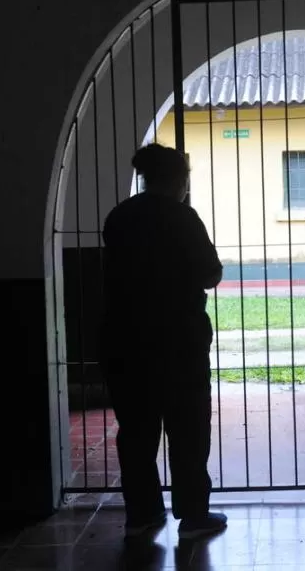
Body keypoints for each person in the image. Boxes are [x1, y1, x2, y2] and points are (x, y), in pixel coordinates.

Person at [99, 143, 227, 540]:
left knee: (136, 431)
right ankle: (192, 515)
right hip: (179, 340)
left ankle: (142, 515)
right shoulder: (183, 217)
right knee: (188, 430)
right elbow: (210, 273)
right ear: (178, 180)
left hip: (126, 340)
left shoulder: (119, 217)